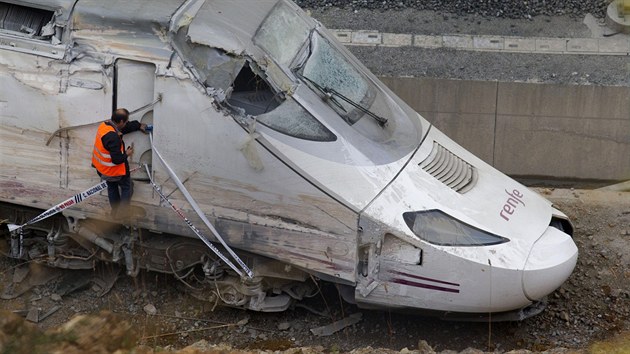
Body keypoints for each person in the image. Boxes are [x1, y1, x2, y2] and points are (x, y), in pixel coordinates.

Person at [91, 108, 148, 218]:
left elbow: (123, 129)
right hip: (113, 171)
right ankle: (122, 213)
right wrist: (127, 153)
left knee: (112, 188)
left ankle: (115, 212)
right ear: (121, 122)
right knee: (127, 187)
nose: (127, 123)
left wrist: (137, 125)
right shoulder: (113, 137)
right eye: (126, 121)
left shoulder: (104, 126)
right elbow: (116, 159)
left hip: (102, 169)